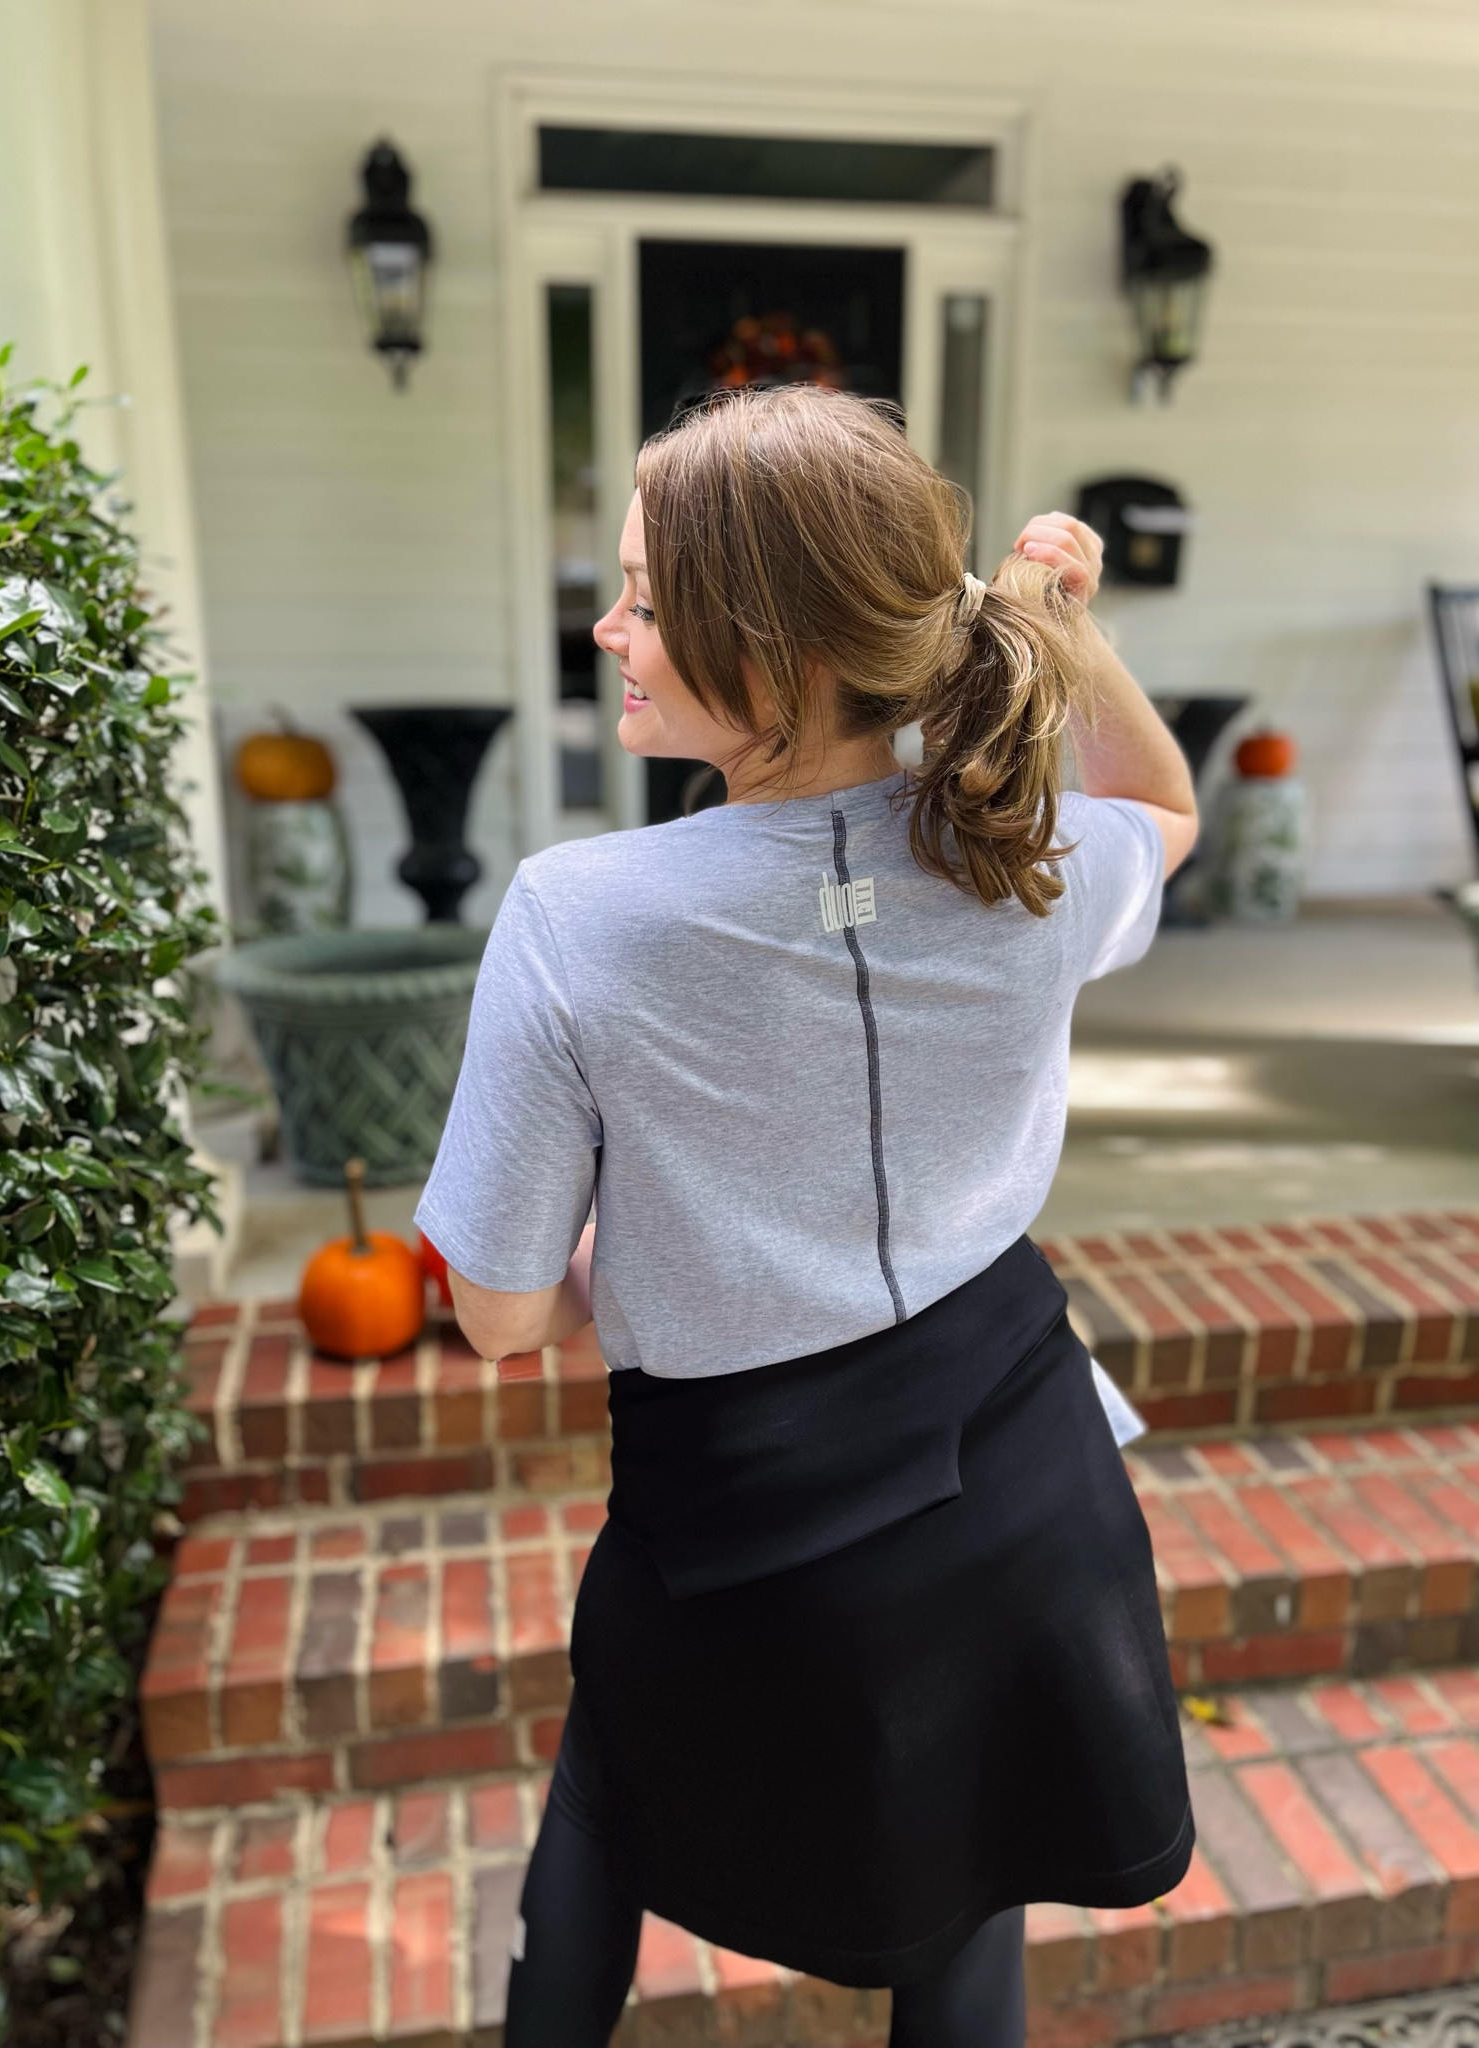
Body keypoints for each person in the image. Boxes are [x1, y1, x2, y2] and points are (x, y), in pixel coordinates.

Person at [416, 385, 1200, 2048]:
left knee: (604, 1809)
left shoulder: (582, 918)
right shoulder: (1023, 858)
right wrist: (1065, 636)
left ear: (770, 662)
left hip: (737, 1524)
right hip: (1019, 1474)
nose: (609, 628)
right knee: (968, 1891)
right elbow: (1171, 815)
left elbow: (495, 1312)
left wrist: (626, 1245)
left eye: (644, 599)